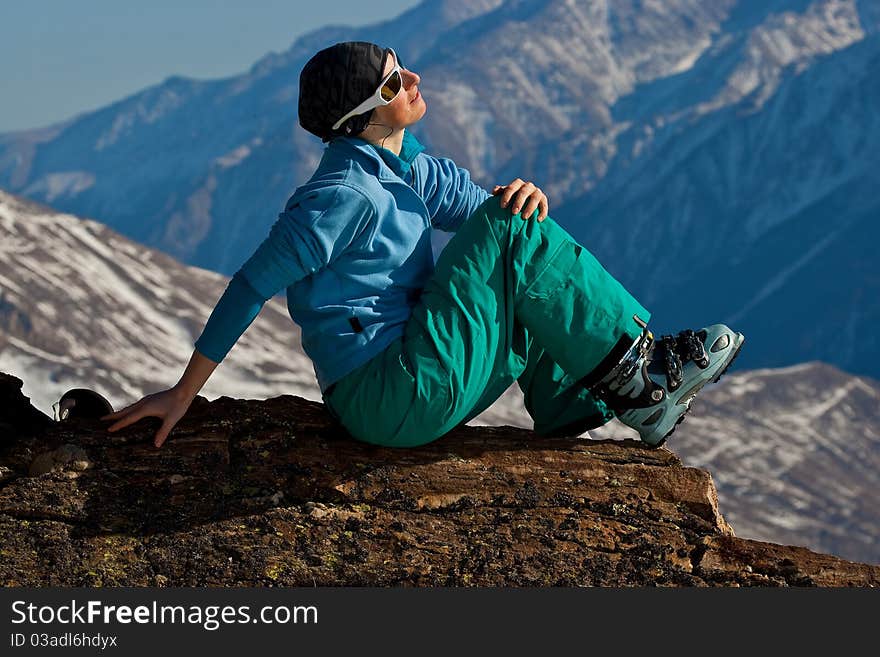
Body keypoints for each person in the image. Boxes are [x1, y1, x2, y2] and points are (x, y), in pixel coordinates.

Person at [102, 41, 743, 450]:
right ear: (365, 115)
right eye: (394, 82)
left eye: (403, 68)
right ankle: (641, 380)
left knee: (515, 222)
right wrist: (183, 393)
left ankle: (581, 400)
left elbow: (505, 239)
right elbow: (250, 285)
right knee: (509, 228)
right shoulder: (340, 195)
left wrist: (519, 196)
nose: (413, 80)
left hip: (420, 369)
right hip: (385, 393)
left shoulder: (411, 172)